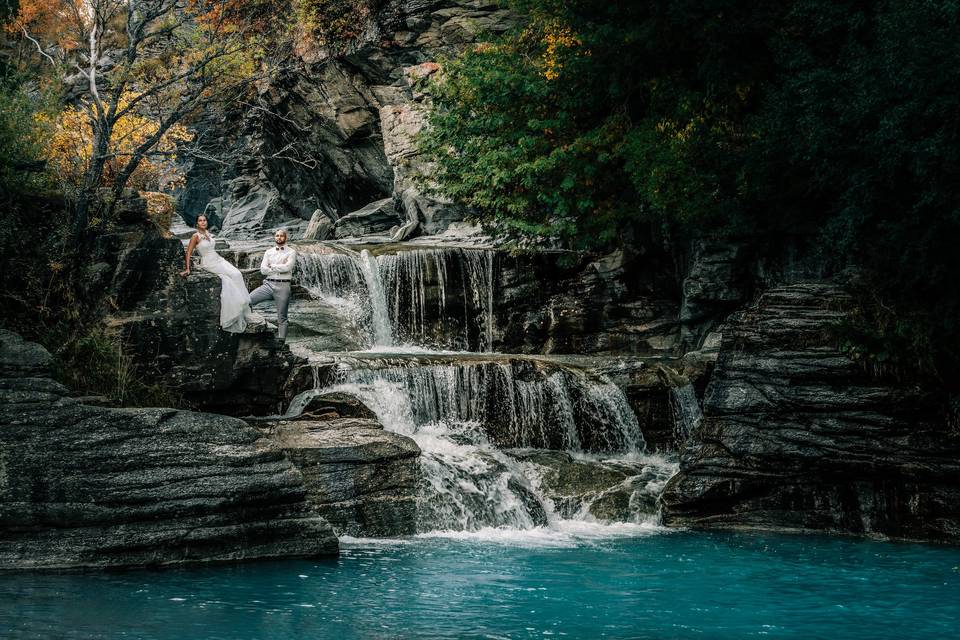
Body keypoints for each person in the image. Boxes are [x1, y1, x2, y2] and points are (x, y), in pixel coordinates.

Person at [180, 215, 262, 333]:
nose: (203, 222)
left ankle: (244, 305)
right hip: (209, 262)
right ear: (197, 223)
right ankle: (239, 306)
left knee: (237, 274)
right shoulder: (195, 236)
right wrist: (188, 269)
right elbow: (188, 253)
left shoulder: (208, 233)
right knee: (232, 276)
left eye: (204, 220)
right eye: (200, 221)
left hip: (218, 259)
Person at [249, 229, 296, 341]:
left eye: (281, 236)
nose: (279, 238)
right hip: (268, 285)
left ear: (286, 238)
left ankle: (281, 343)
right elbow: (263, 270)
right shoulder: (268, 252)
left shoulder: (291, 252)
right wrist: (279, 266)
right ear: (274, 237)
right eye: (277, 236)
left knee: (282, 317)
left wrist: (272, 266)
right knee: (247, 301)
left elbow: (288, 267)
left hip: (283, 287)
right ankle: (252, 326)